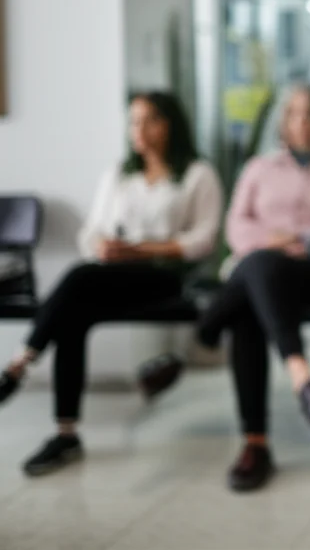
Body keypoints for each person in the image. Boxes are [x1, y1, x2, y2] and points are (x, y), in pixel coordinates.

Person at [144, 83, 310, 492]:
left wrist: (299, 236)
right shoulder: (258, 169)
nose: (301, 121)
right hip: (260, 271)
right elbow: (236, 226)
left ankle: (197, 344)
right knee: (253, 290)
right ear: (282, 121)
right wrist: (270, 243)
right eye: (293, 112)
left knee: (255, 274)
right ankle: (289, 399)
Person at [0, 91, 224, 476]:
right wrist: (103, 246)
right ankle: (65, 434)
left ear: (170, 123)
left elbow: (202, 241)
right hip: (113, 275)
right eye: (133, 121)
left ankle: (19, 366)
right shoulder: (121, 174)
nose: (139, 130)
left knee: (78, 279)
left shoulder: (197, 173)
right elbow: (89, 234)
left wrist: (140, 249)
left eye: (149, 120)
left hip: (164, 276)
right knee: (73, 311)